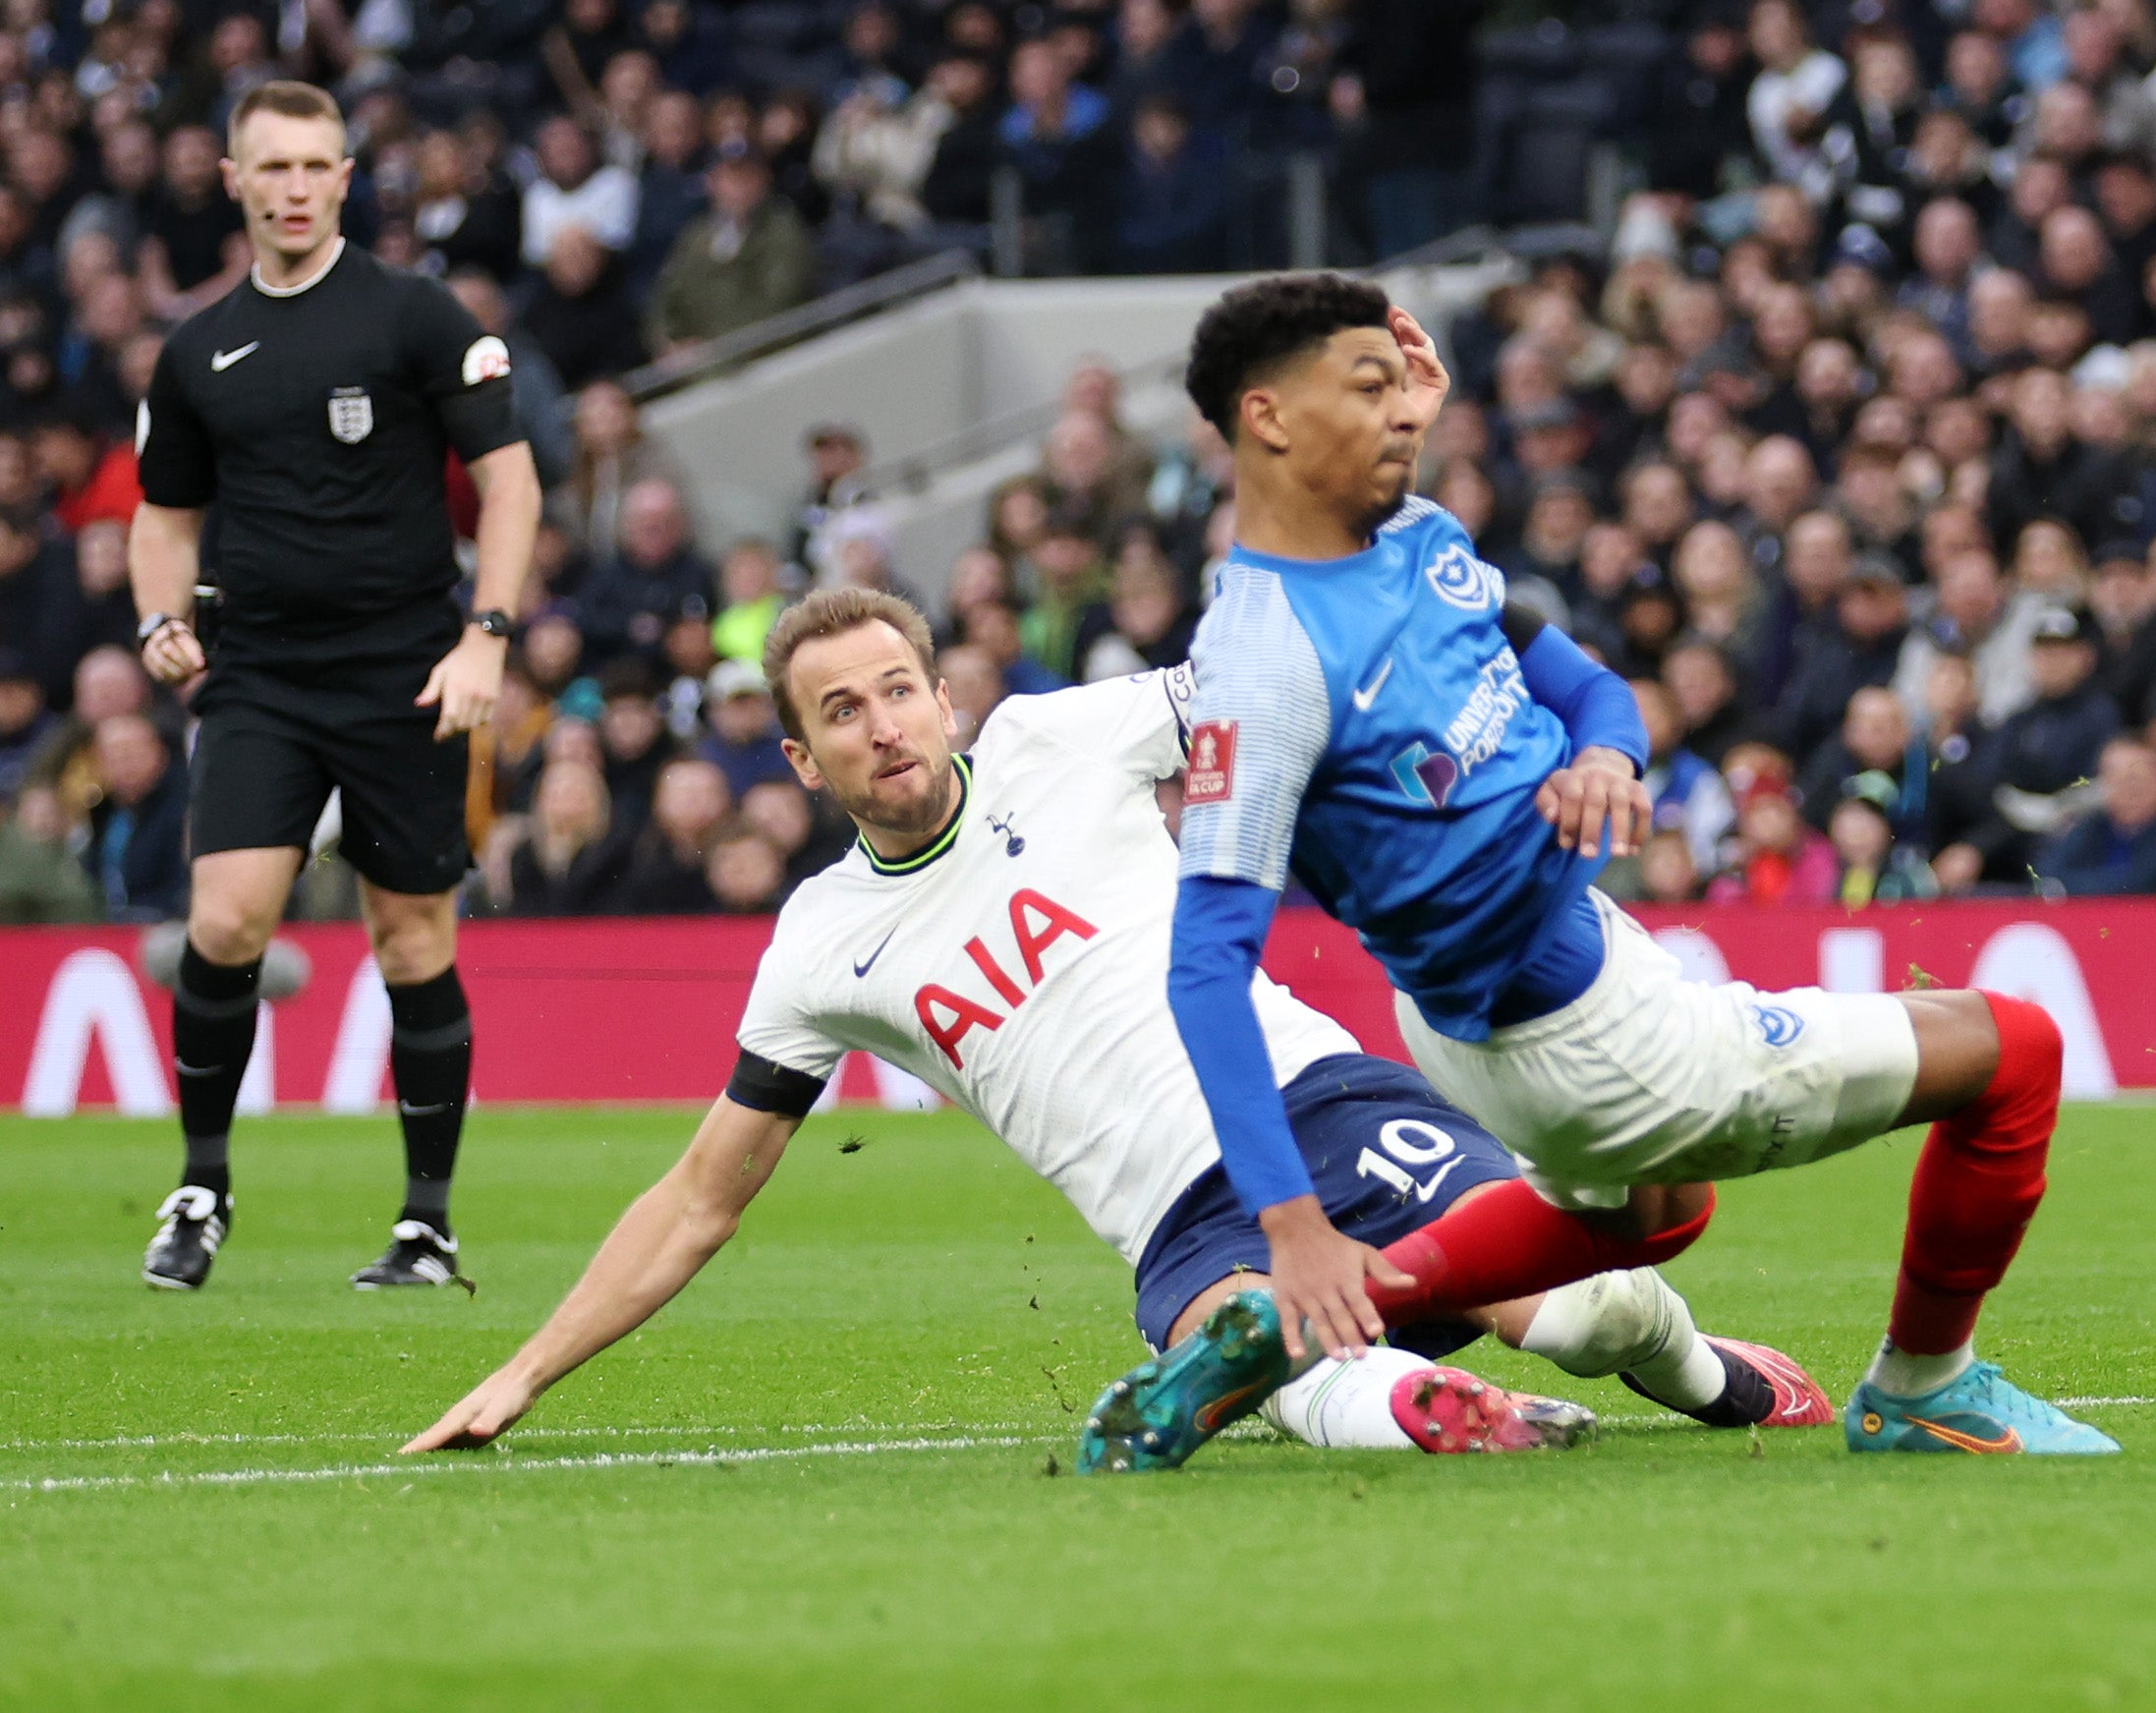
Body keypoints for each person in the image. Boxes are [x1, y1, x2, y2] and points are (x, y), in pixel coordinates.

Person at [407, 587, 1825, 1464]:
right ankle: (1424, 1413)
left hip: (1317, 1105)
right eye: (842, 712)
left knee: (1587, 1313)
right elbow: (698, 1198)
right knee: (1252, 1343)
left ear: (944, 696)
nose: (883, 723)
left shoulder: (1059, 736)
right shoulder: (819, 944)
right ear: (800, 757)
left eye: (899, 689)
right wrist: (522, 1373)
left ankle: (1708, 1382)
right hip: (1178, 1229)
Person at [1158, 272, 2114, 1456]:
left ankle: (1323, 1315)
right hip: (1583, 1038)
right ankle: (1922, 1388)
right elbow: (1204, 969)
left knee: (1656, 1217)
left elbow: (1592, 691)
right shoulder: (1261, 664)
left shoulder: (1410, 540)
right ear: (1270, 420)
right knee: (2014, 1051)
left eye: (1406, 380)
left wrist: (1606, 755)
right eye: (1370, 387)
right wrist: (1291, 1221)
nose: (1407, 408)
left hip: (1521, 1002)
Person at [129, 81, 541, 1295]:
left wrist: (490, 638)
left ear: (348, 178)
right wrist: (158, 616)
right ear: (234, 180)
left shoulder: (416, 316)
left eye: (318, 167)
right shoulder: (199, 347)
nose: (297, 189)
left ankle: (425, 1225)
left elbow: (509, 488)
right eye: (275, 169)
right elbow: (163, 519)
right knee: (223, 923)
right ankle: (202, 1185)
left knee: (410, 936)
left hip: (409, 677)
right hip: (258, 675)